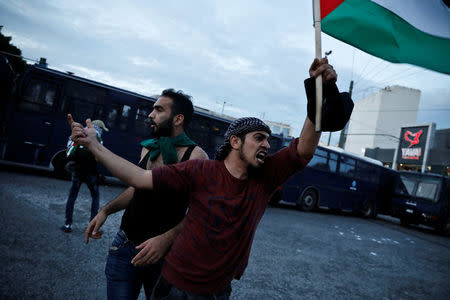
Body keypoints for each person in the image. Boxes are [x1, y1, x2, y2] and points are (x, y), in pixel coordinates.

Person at [69, 58, 353, 299]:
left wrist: (320, 92)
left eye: (268, 140)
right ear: (235, 142)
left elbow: (303, 148)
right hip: (172, 284)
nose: (267, 145)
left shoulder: (265, 178)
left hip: (218, 292)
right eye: (259, 138)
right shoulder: (202, 170)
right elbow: (140, 178)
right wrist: (94, 146)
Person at [85, 89, 209, 299]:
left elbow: (201, 211)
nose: (150, 114)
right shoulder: (149, 148)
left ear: (178, 119)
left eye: (158, 110)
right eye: (152, 109)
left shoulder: (196, 156)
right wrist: (106, 210)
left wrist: (166, 239)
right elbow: (137, 187)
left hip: (165, 255)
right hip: (125, 245)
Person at [61, 119, 109, 233]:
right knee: (95, 198)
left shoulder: (80, 135)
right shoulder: (98, 139)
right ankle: (92, 226)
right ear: (99, 129)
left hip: (77, 171)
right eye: (102, 129)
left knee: (72, 197)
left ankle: (68, 224)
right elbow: (99, 158)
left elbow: (70, 152)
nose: (102, 131)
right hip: (91, 174)